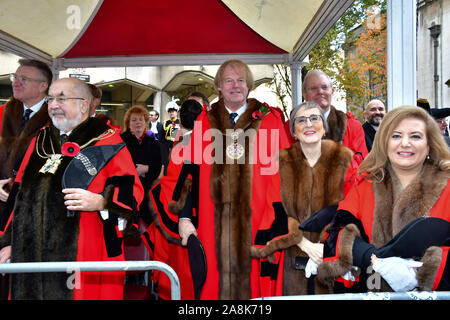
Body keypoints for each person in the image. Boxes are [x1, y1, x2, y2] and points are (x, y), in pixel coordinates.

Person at [0, 78, 144, 300]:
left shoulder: (107, 141)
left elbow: (131, 190)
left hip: (84, 250)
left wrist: (101, 201)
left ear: (84, 105)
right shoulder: (40, 140)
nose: (53, 105)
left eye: (61, 98)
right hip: (31, 250)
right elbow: (19, 193)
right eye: (50, 99)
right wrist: (9, 242)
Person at [178, 59, 290, 299]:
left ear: (249, 85)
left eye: (241, 80)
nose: (235, 85)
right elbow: (191, 172)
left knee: (254, 289)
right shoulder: (204, 121)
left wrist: (278, 222)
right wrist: (185, 216)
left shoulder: (269, 120)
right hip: (212, 223)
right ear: (219, 86)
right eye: (229, 80)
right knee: (213, 286)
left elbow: (285, 173)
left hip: (258, 221)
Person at [317, 106, 450, 292]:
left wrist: (421, 271)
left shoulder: (447, 184)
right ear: (384, 142)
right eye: (396, 136)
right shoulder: (366, 184)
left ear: (429, 144)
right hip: (372, 289)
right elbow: (338, 230)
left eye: (415, 136)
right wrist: (373, 258)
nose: (405, 143)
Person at [252, 101, 353, 295]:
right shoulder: (280, 166)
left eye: (314, 118)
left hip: (333, 256)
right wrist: (305, 245)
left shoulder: (345, 163)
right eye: (301, 120)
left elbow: (350, 212)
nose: (308, 124)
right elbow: (276, 211)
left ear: (324, 128)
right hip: (291, 258)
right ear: (293, 132)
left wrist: (326, 248)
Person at [142, 99, 204, 300]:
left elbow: (170, 182)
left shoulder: (181, 145)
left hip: (175, 215)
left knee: (178, 274)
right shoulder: (210, 144)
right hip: (199, 219)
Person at [0, 59, 52, 207]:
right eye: (14, 77)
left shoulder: (57, 119)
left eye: (24, 79)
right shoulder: (2, 113)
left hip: (36, 206)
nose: (16, 82)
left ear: (43, 86)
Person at [302, 69, 368, 159]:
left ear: (332, 91)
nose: (320, 92)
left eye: (324, 87)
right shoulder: (291, 128)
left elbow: (363, 167)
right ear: (304, 94)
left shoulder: (352, 126)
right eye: (313, 88)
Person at [121, 105, 162, 225]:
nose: (138, 123)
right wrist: (134, 171)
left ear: (146, 122)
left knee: (150, 226)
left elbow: (157, 166)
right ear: (128, 123)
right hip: (126, 191)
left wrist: (147, 169)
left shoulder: (153, 142)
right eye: (134, 120)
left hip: (147, 192)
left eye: (141, 119)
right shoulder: (120, 141)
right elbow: (117, 165)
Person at [161, 97, 180, 175]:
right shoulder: (165, 123)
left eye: (173, 111)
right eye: (170, 112)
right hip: (167, 145)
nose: (171, 113)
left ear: (176, 112)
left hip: (178, 144)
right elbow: (162, 137)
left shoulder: (180, 121)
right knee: (166, 163)